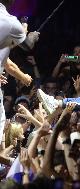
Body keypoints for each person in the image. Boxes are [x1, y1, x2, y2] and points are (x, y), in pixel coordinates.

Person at [0, 0, 39, 141]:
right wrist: (31, 36)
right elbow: (28, 45)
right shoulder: (10, 21)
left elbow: (7, 62)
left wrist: (23, 77)